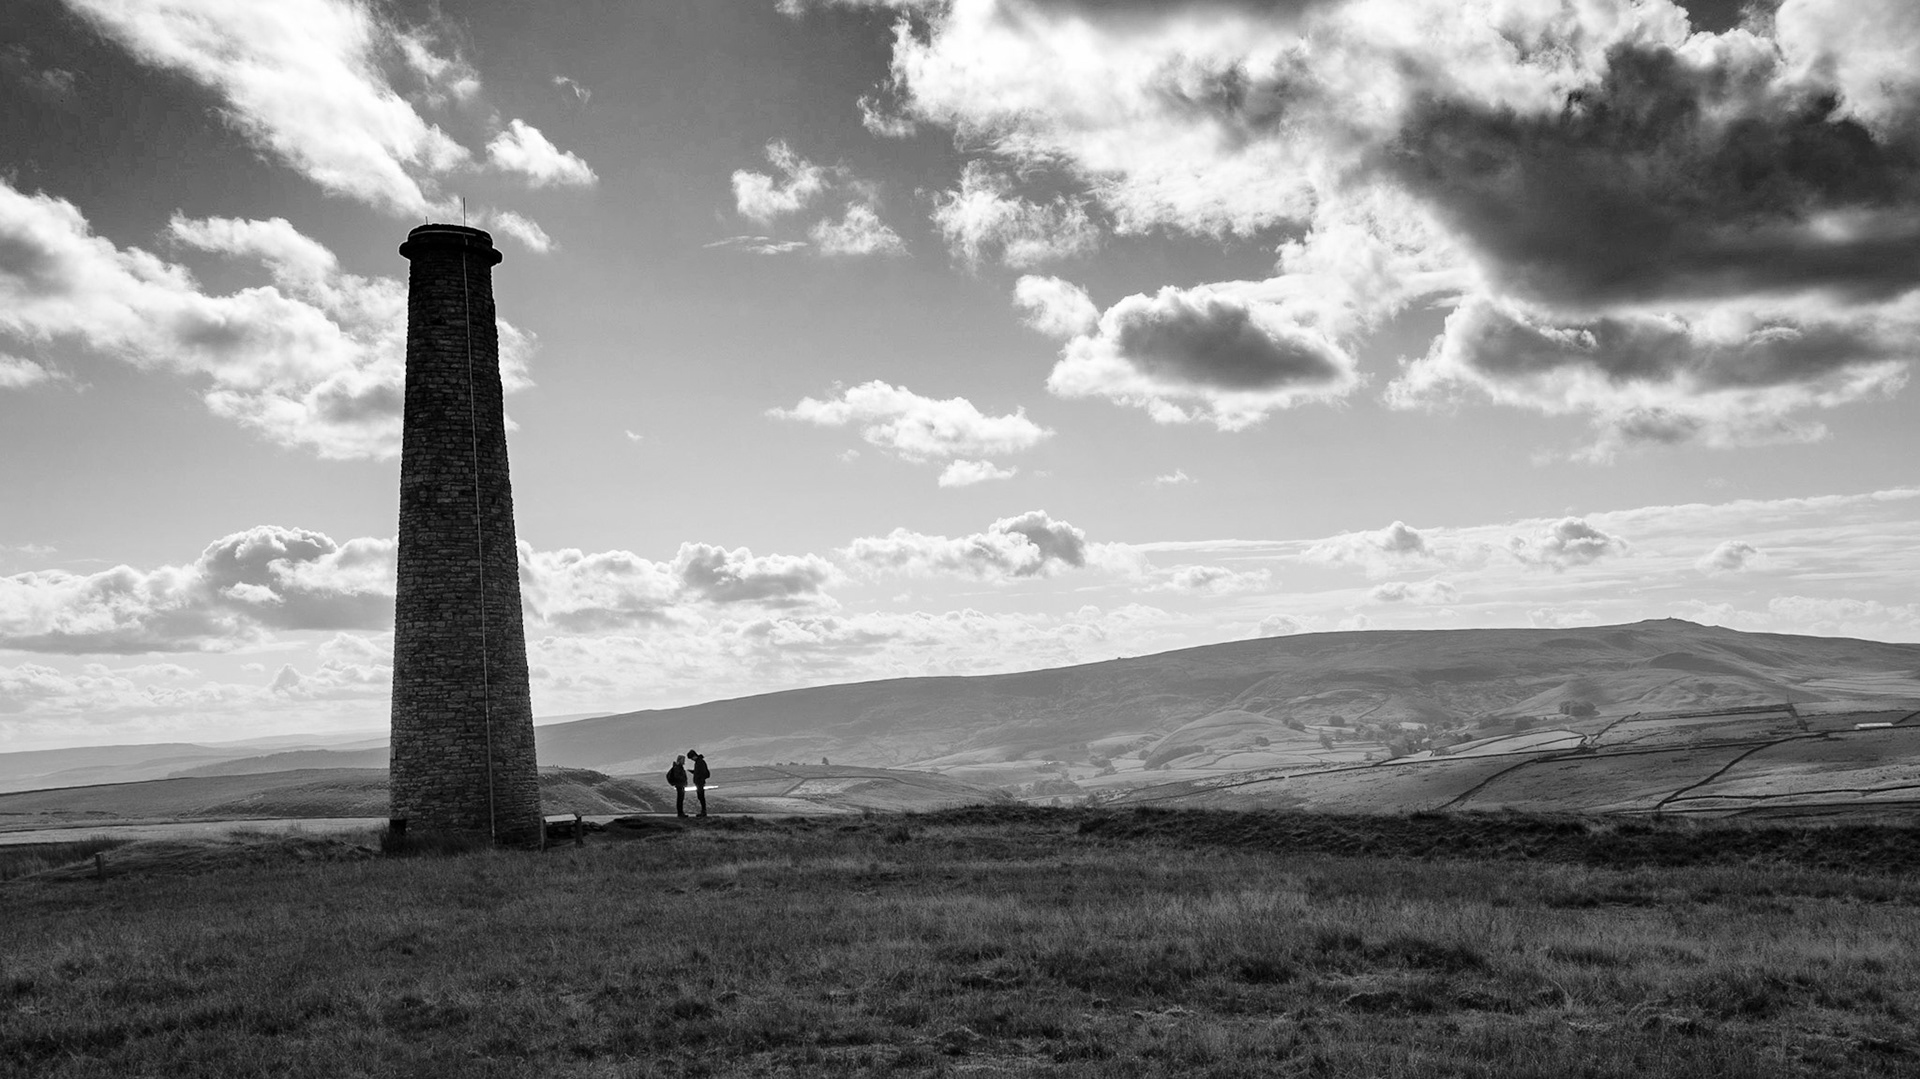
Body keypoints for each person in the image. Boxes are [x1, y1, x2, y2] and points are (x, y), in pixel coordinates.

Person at [687, 750, 711, 817]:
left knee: (701, 796)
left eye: (691, 758)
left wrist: (698, 777)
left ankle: (704, 811)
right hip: (699, 781)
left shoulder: (700, 762)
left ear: (694, 756)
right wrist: (693, 772)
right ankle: (703, 811)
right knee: (700, 796)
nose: (692, 760)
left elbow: (702, 772)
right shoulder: (699, 762)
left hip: (700, 782)